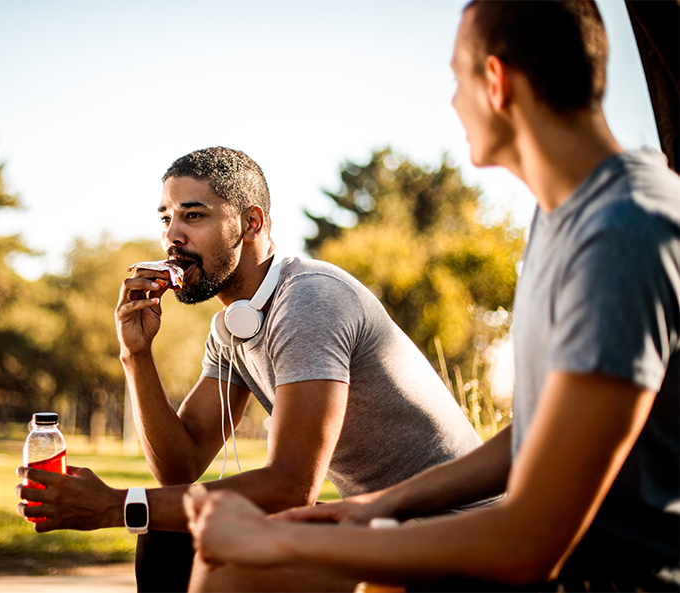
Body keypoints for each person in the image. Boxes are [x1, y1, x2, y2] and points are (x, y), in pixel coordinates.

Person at [185, 2, 680, 591]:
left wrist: (277, 538)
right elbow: (533, 435)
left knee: (240, 569)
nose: (451, 101)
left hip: (606, 577)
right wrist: (371, 508)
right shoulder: (562, 219)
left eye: (456, 78)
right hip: (543, 555)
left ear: (495, 82)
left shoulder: (624, 230)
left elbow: (530, 543)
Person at [16, 146, 483, 592]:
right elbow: (180, 468)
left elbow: (289, 487)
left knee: (177, 535)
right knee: (172, 535)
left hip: (454, 536)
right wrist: (135, 356)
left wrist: (118, 506)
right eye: (166, 218)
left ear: (250, 222)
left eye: (193, 216)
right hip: (381, 525)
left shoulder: (308, 300)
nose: (172, 236)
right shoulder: (232, 329)